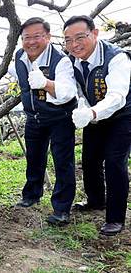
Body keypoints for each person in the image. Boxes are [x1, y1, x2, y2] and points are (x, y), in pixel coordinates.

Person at [63, 15, 131, 236]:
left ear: (95, 33)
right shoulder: (73, 60)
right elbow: (79, 89)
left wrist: (92, 112)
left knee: (114, 161)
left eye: (80, 37)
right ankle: (95, 201)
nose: (74, 44)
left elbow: (117, 96)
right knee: (90, 159)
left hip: (123, 115)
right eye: (68, 40)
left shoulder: (117, 58)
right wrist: (83, 107)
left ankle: (115, 218)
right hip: (94, 114)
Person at [8, 17, 77, 225]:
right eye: (26, 37)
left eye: (36, 36)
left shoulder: (61, 60)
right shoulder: (20, 57)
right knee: (34, 158)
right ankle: (31, 195)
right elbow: (18, 75)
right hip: (34, 116)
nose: (31, 42)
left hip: (59, 117)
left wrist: (46, 83)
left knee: (62, 161)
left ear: (47, 36)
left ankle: (62, 208)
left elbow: (67, 93)